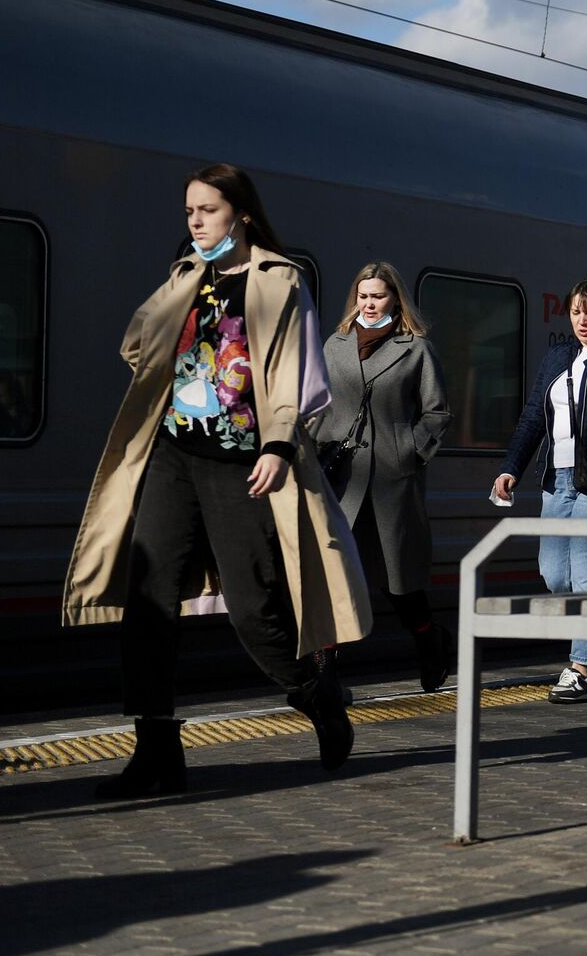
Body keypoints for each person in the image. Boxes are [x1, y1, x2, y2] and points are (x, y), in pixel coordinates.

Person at [64, 163, 368, 798]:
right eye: (189, 213)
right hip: (174, 457)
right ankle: (156, 751)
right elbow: (134, 346)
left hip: (243, 461)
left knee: (255, 611)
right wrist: (178, 291)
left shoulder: (279, 281)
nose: (196, 221)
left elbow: (293, 372)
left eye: (207, 210)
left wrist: (279, 444)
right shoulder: (187, 278)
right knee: (149, 600)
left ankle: (315, 693)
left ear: (242, 214)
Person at [493, 279, 587, 704]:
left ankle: (578, 669)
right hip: (557, 479)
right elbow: (531, 419)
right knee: (554, 574)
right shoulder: (556, 357)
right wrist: (511, 470)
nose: (583, 320)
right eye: (577, 312)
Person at [314, 262, 453, 692]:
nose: (369, 304)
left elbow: (437, 412)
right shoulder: (333, 346)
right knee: (332, 574)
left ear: (395, 298)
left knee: (398, 581)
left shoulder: (416, 349)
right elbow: (318, 405)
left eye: (378, 296)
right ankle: (326, 674)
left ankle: (430, 640)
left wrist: (408, 448)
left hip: (392, 479)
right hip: (339, 478)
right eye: (363, 295)